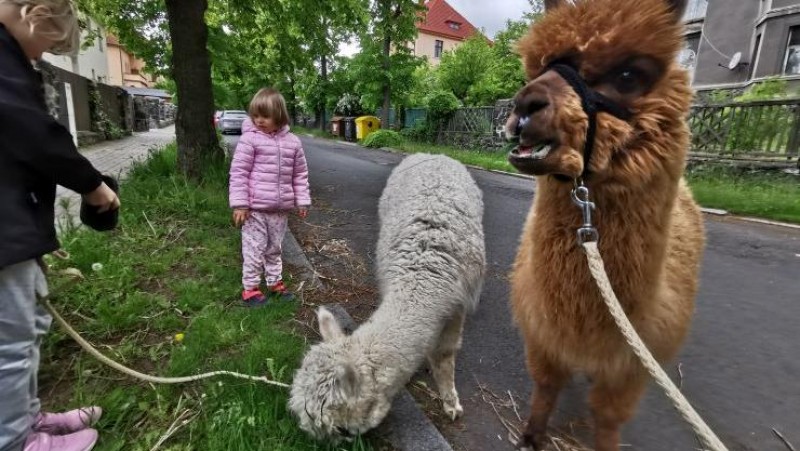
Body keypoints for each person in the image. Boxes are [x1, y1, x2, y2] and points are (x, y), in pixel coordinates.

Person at [0, 1, 121, 450]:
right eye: (48, 44)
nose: (42, 56)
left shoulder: (10, 57)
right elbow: (32, 131)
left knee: (24, 329)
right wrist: (92, 185)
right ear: (35, 14)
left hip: (12, 230)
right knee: (8, 346)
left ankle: (28, 421)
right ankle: (16, 442)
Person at [229, 88, 311, 305]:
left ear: (280, 116)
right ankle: (251, 288)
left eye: (265, 116)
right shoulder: (249, 140)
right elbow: (239, 172)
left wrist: (302, 200)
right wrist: (240, 204)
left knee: (274, 248)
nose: (259, 121)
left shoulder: (293, 142)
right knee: (254, 248)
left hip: (280, 210)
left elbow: (300, 174)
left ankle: (275, 283)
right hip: (254, 209)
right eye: (255, 115)